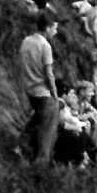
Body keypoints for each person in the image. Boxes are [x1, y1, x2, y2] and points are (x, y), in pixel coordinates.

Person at [19, 10, 60, 164]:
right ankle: (41, 163)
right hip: (43, 92)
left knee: (37, 117)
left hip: (29, 89)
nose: (55, 32)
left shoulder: (26, 41)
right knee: (47, 132)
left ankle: (21, 145)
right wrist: (54, 92)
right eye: (54, 28)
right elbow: (48, 73)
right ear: (48, 27)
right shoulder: (45, 46)